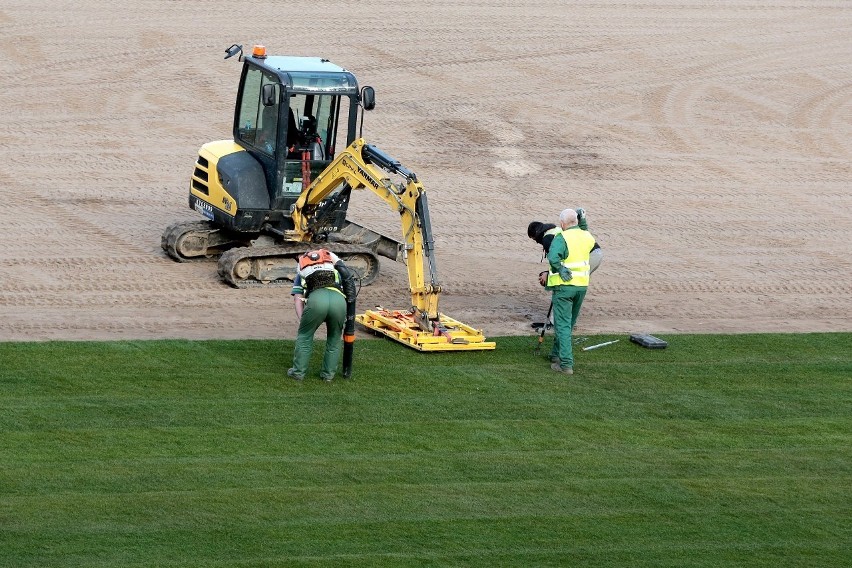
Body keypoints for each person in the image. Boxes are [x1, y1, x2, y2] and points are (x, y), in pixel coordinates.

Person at [545, 208, 598, 375]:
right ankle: (555, 355)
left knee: (562, 325)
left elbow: (553, 258)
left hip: (564, 287)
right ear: (577, 222)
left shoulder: (562, 237)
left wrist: (560, 269)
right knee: (569, 323)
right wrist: (583, 221)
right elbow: (586, 236)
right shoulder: (586, 236)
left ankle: (566, 364)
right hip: (581, 287)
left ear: (562, 224)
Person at [288, 249, 350, 382]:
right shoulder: (335, 268)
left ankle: (298, 373)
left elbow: (297, 298)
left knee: (305, 336)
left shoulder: (303, 269)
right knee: (334, 338)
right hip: (339, 301)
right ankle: (328, 375)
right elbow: (348, 288)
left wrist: (302, 320)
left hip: (317, 301)